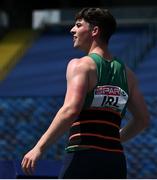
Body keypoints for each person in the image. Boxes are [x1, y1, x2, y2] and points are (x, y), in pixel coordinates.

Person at [21, 7, 150, 178]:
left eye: (78, 25)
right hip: (114, 161)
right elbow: (142, 120)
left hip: (82, 157)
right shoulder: (129, 75)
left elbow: (70, 110)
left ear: (94, 31)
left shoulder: (81, 66)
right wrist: (115, 139)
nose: (72, 30)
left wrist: (39, 148)